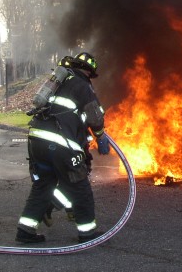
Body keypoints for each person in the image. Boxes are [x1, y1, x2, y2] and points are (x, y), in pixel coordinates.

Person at [16, 52, 111, 244]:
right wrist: (100, 136)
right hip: (59, 143)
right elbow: (94, 116)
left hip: (36, 140)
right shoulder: (82, 85)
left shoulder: (58, 83)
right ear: (88, 71)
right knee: (79, 186)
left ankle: (25, 230)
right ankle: (87, 232)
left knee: (43, 185)